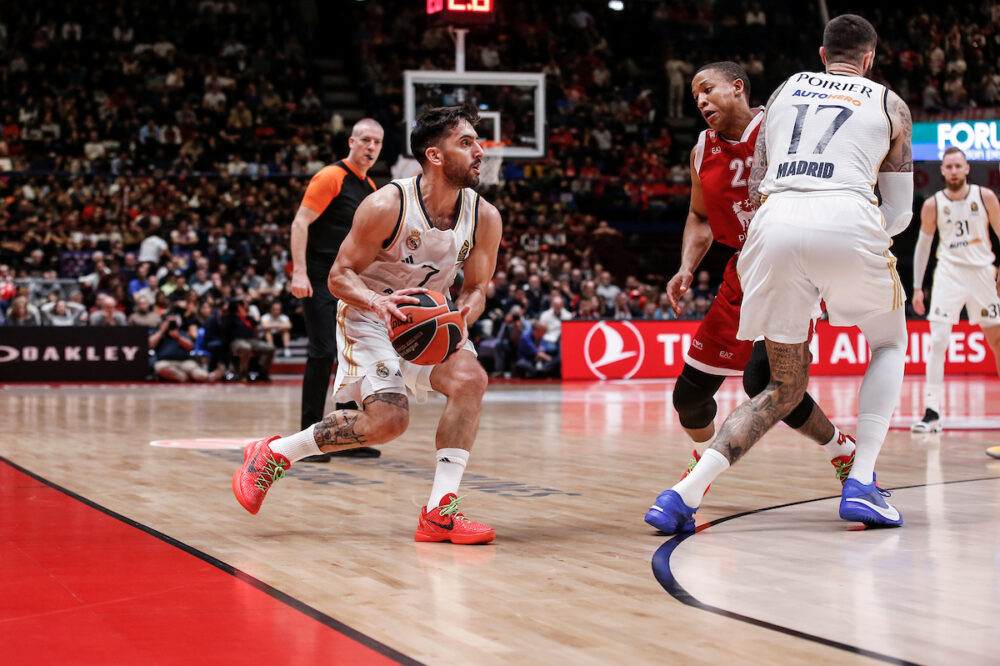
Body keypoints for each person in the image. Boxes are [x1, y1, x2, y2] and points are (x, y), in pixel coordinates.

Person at [646, 15, 913, 533]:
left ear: (821, 54)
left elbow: (763, 182)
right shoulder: (889, 102)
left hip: (771, 230)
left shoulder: (788, 89)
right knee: (888, 343)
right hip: (846, 216)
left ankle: (683, 495)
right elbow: (899, 213)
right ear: (870, 59)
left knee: (778, 386)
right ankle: (861, 482)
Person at [233, 105, 502, 544]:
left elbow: (476, 286)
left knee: (471, 378)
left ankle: (439, 513)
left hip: (429, 321)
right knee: (389, 422)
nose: (479, 151)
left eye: (477, 141)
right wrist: (378, 302)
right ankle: (274, 453)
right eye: (467, 143)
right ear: (435, 156)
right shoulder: (386, 204)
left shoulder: (484, 216)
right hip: (368, 317)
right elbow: (339, 275)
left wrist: (465, 312)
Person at [289, 118, 384, 460]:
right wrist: (299, 272)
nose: (371, 147)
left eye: (377, 142)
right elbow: (300, 222)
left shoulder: (371, 188)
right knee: (323, 352)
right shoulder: (332, 176)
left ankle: (343, 437)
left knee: (353, 358)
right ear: (352, 142)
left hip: (349, 281)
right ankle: (307, 440)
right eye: (365, 140)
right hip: (318, 275)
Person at [911, 147, 1000, 432]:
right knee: (937, 341)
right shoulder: (932, 204)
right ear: (942, 171)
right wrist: (916, 287)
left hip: (982, 273)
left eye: (957, 166)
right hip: (948, 275)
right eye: (948, 166)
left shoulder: (985, 197)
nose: (953, 171)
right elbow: (923, 247)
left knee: (997, 341)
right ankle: (932, 411)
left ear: (967, 168)